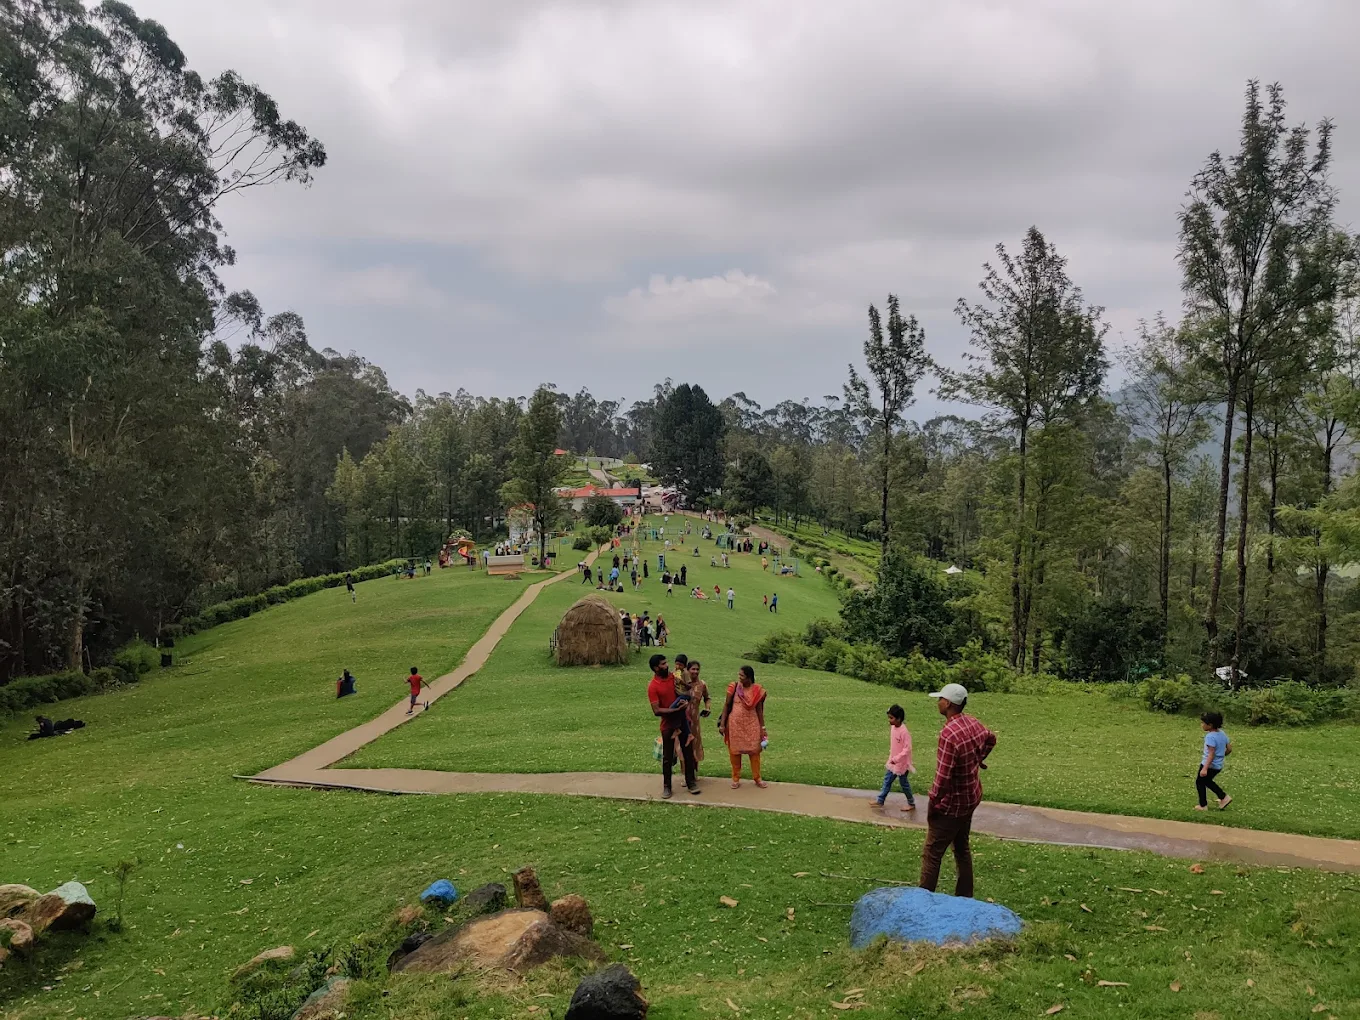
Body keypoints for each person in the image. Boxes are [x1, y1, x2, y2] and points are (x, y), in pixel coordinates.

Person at [919, 683, 995, 898]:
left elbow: (943, 777)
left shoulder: (948, 734)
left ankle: (922, 902)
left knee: (932, 853)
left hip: (952, 805)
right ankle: (965, 897)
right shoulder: (971, 722)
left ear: (948, 704)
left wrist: (934, 802)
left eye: (940, 699)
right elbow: (991, 738)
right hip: (971, 797)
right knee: (962, 848)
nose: (938, 702)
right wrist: (978, 759)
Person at [648, 653, 699, 799]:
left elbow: (685, 690)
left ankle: (691, 782)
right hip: (667, 725)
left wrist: (685, 702)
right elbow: (657, 711)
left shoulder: (674, 677)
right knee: (667, 757)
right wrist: (676, 710)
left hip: (683, 721)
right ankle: (667, 787)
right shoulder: (653, 686)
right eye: (663, 664)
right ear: (656, 668)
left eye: (666, 663)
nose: (667, 666)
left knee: (688, 753)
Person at [719, 665, 767, 789]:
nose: (739, 678)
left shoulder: (757, 690)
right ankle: (735, 778)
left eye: (742, 676)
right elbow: (726, 705)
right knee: (735, 752)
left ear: (749, 677)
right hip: (735, 725)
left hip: (752, 725)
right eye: (739, 675)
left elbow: (759, 710)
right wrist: (722, 724)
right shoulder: (734, 688)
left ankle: (757, 778)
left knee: (755, 752)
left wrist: (762, 728)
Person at [873, 704, 916, 811]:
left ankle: (911, 803)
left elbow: (907, 749)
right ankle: (880, 800)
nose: (889, 720)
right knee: (887, 780)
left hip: (902, 764)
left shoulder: (904, 732)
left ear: (899, 719)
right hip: (893, 762)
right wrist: (892, 758)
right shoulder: (893, 728)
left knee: (904, 784)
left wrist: (897, 758)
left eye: (891, 718)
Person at [1195, 711, 1233, 811]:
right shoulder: (1222, 733)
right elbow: (1229, 749)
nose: (1201, 725)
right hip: (1217, 766)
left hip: (1209, 765)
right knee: (1207, 781)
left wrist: (1205, 768)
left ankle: (1203, 805)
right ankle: (1223, 797)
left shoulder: (1210, 737)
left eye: (1203, 723)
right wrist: (1221, 756)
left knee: (1200, 782)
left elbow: (1211, 754)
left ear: (1210, 725)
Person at [678, 658, 711, 763]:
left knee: (695, 744)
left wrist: (707, 708)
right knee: (682, 744)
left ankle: (694, 770)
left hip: (694, 720)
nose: (695, 671)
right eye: (693, 669)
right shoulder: (681, 683)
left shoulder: (702, 684)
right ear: (687, 670)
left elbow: (707, 698)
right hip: (682, 718)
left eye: (697, 669)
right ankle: (684, 770)